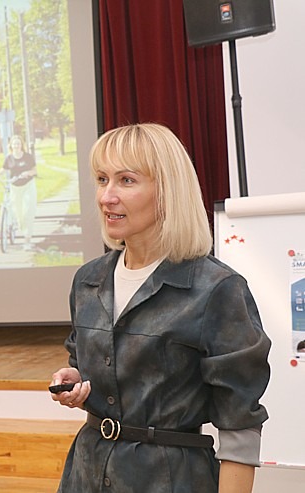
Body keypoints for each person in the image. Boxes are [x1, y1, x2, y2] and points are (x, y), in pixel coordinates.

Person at [50, 123, 271, 493]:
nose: (107, 196)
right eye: (102, 179)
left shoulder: (216, 289)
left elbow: (239, 427)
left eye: (126, 180)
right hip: (85, 477)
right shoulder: (87, 281)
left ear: (168, 191)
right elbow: (92, 367)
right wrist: (75, 381)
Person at [1, 134, 38, 249]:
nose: (16, 145)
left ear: (21, 144)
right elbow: (3, 169)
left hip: (28, 185)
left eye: (18, 143)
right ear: (11, 145)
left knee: (28, 211)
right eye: (14, 143)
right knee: (18, 214)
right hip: (15, 188)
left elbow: (35, 171)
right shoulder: (9, 158)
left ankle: (27, 239)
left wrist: (28, 173)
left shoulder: (27, 157)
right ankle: (23, 231)